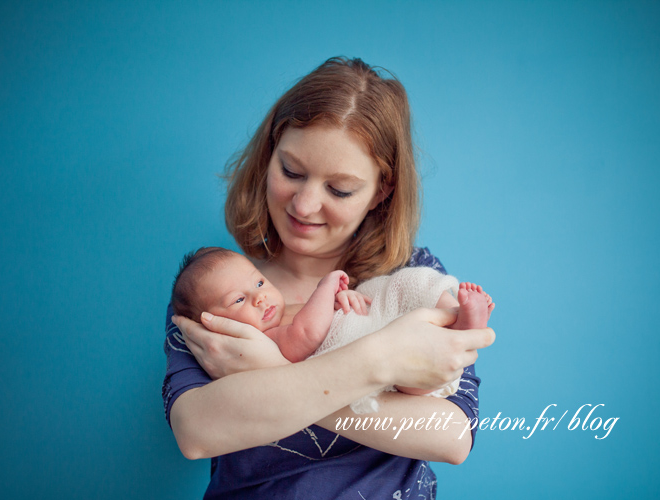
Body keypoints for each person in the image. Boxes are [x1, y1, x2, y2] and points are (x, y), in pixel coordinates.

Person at [162, 56, 496, 499]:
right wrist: (377, 363)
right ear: (268, 156)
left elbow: (450, 437)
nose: (303, 206)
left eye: (339, 189)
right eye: (291, 172)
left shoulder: (412, 280)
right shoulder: (219, 288)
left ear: (382, 190)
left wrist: (274, 370)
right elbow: (197, 431)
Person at [170, 246, 494, 412]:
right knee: (406, 373)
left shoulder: (280, 312)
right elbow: (306, 335)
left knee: (399, 286)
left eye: (258, 282)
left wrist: (343, 298)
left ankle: (455, 319)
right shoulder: (256, 342)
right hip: (366, 368)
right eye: (239, 299)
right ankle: (458, 330)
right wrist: (327, 288)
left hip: (373, 331)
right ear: (215, 326)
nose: (260, 297)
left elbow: (324, 316)